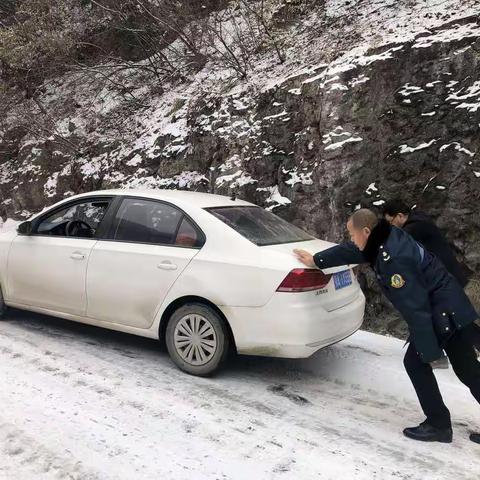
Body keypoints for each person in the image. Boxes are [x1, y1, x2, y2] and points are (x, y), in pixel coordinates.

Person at [294, 209, 480, 444]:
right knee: (468, 369)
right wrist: (316, 260)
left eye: (352, 234)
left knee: (415, 363)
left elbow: (416, 308)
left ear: (366, 231)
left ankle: (438, 425)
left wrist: (430, 352)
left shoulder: (393, 259)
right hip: (450, 305)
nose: (351, 239)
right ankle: (438, 422)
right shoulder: (386, 236)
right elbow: (353, 250)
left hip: (441, 311)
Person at [383, 199, 480, 348]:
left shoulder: (415, 228)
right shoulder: (419, 219)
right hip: (449, 281)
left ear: (400, 216)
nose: (391, 227)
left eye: (391, 222)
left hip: (449, 283)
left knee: (464, 325)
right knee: (459, 324)